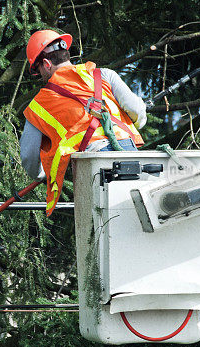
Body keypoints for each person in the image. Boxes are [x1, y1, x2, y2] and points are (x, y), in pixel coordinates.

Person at [20, 29, 147, 215]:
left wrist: (43, 175)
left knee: (103, 223)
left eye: (38, 70)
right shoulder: (103, 75)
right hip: (129, 151)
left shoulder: (39, 104)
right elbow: (136, 110)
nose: (40, 76)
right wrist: (138, 123)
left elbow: (29, 157)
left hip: (92, 162)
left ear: (46, 64)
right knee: (136, 214)